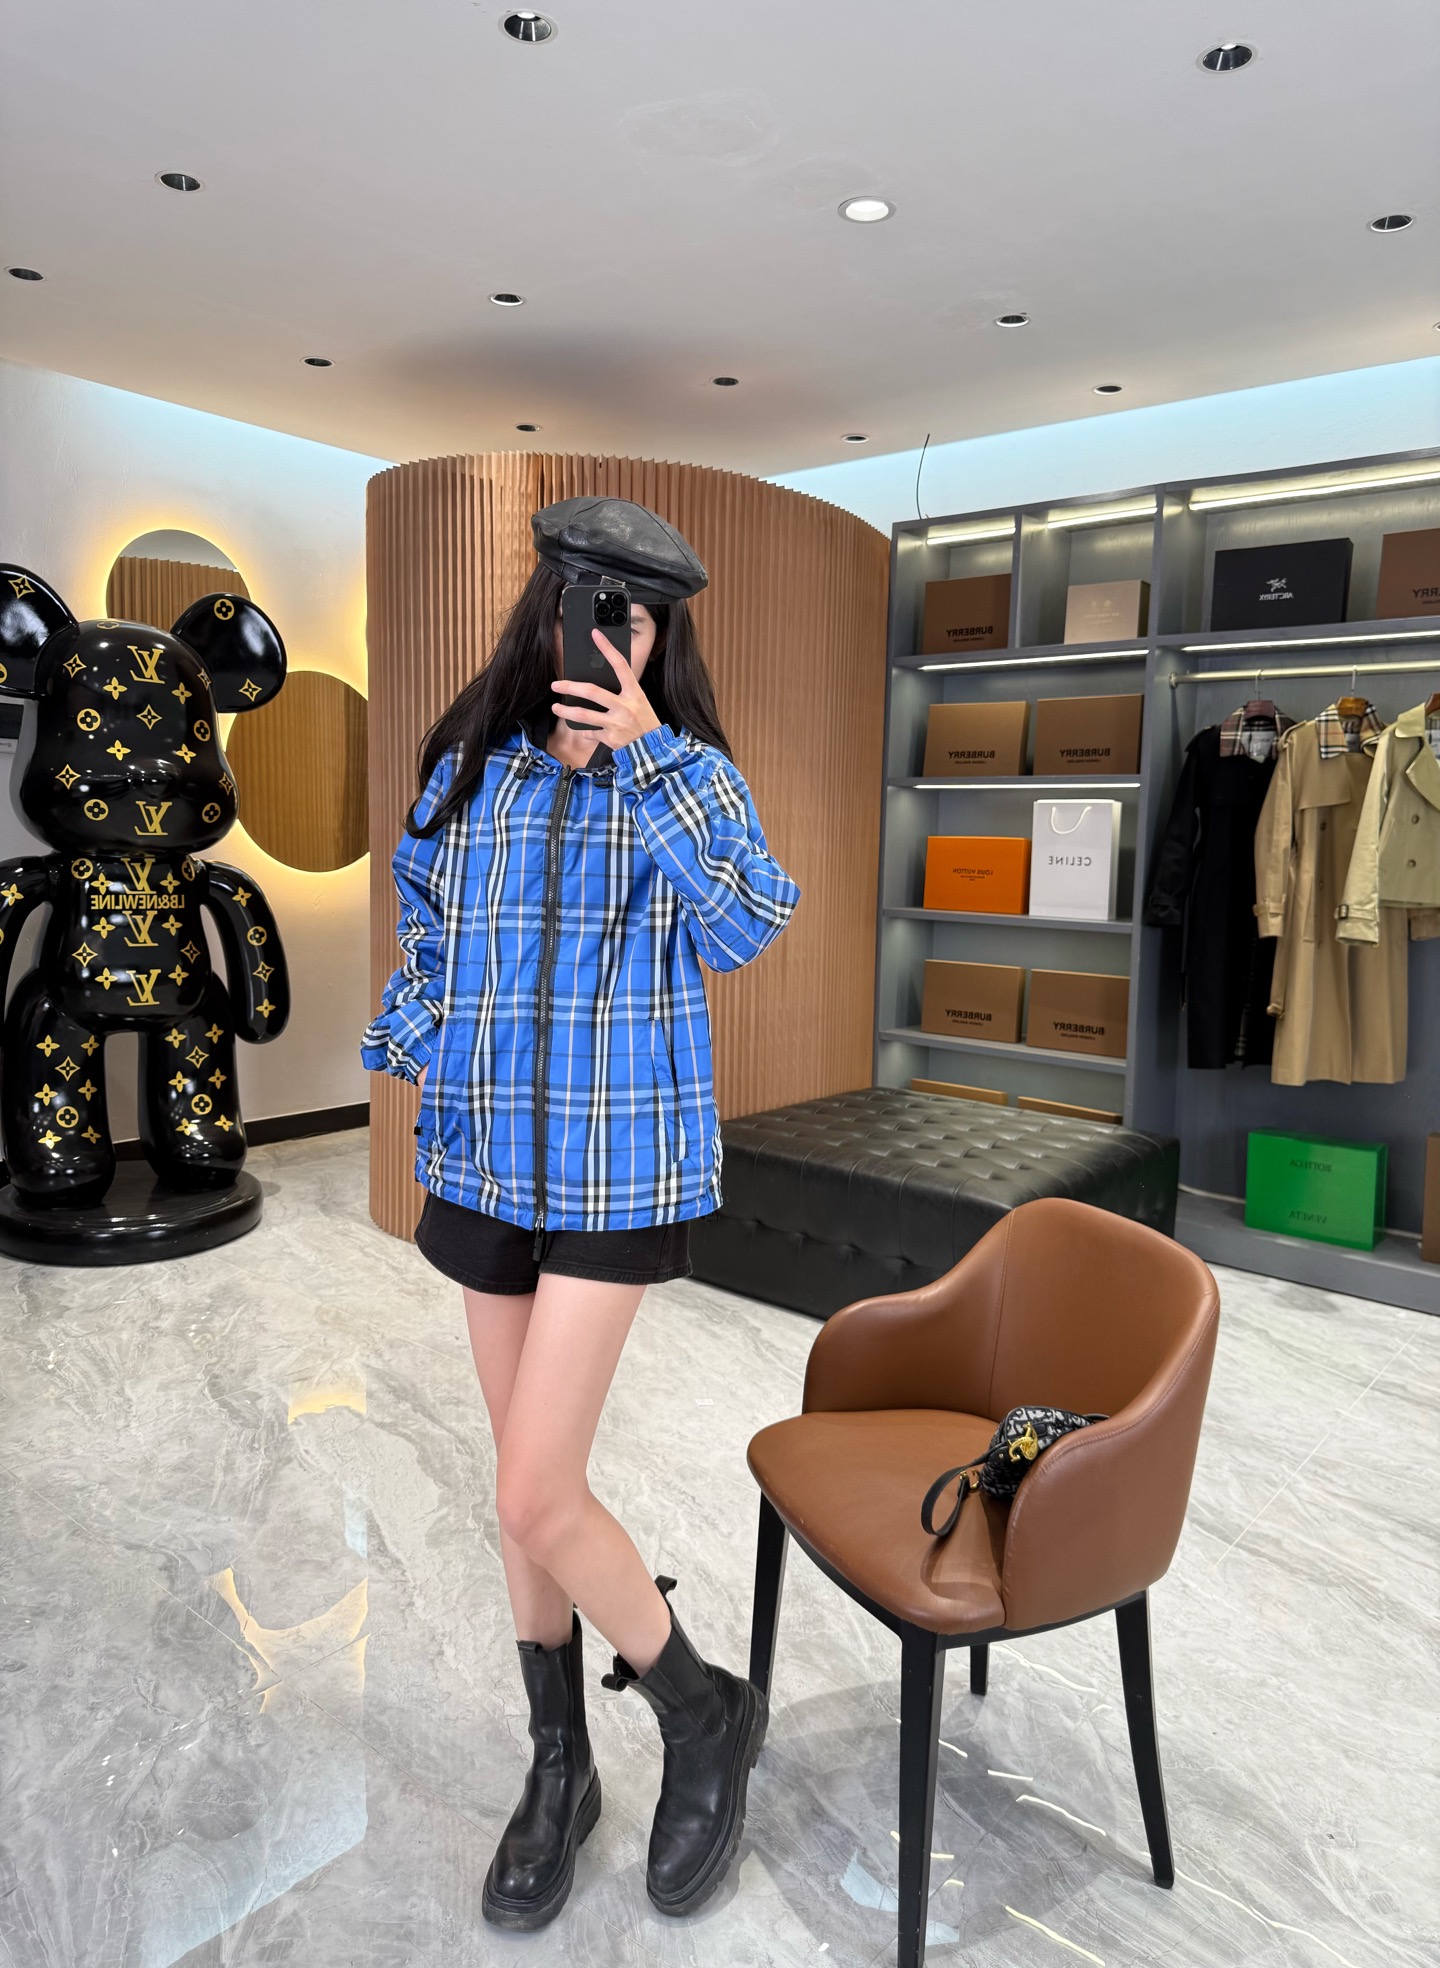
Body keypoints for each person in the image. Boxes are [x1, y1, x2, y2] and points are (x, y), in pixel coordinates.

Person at [361, 497, 802, 1931]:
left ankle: (701, 1712)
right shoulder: (469, 770)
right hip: (483, 1160)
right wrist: (422, 1043)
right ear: (544, 611)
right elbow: (426, 924)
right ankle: (561, 1761)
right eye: (592, 606)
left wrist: (649, 753)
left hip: (617, 1166)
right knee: (520, 1488)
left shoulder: (689, 777)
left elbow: (746, 923)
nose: (615, 637)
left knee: (533, 1490)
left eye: (642, 618)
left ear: (663, 638)